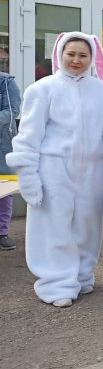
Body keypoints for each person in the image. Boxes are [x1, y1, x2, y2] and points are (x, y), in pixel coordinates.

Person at [8, 32, 103, 307]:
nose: (76, 60)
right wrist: (28, 175)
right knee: (54, 225)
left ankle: (82, 275)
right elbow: (29, 135)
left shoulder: (102, 91)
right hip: (53, 167)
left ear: (92, 58)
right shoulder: (42, 89)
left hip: (92, 168)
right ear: (60, 54)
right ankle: (56, 282)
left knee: (87, 224)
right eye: (71, 54)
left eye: (83, 55)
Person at [0, 71, 21, 250]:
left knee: (4, 188)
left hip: (3, 143)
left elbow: (13, 111)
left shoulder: (6, 82)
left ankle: (2, 233)